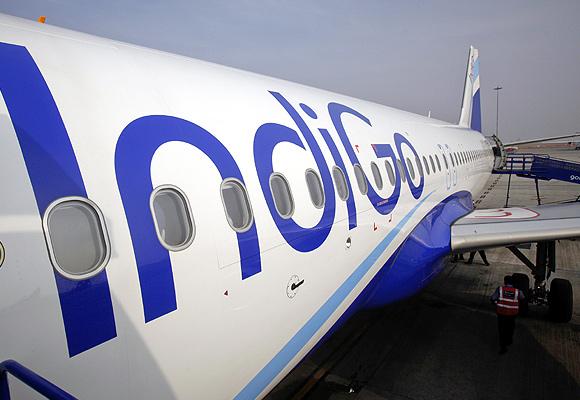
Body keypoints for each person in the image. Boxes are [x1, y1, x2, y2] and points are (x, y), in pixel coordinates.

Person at [491, 275, 525, 354]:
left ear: (505, 282)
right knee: (510, 327)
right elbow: (523, 298)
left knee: (501, 329)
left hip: (501, 313)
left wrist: (496, 303)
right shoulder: (517, 291)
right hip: (512, 314)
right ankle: (509, 340)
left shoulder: (500, 289)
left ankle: (503, 346)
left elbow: (493, 298)